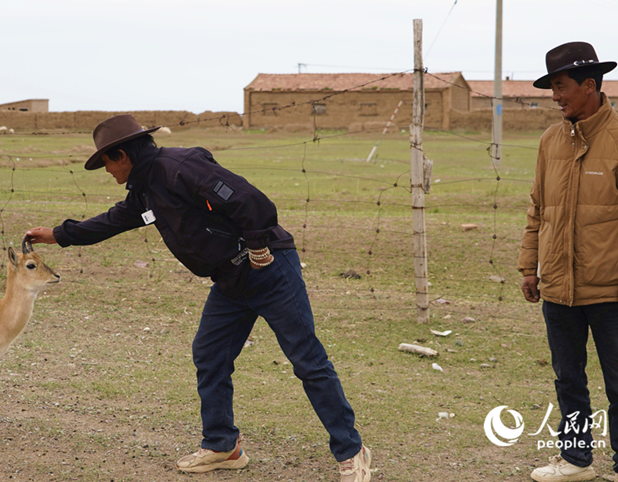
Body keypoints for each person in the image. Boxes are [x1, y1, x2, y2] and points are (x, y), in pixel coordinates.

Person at [24, 114, 372, 482]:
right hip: (229, 282)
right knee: (210, 355)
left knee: (307, 360)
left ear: (122, 154)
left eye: (107, 162)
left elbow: (252, 201)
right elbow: (116, 220)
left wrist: (257, 247)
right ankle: (224, 446)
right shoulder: (144, 189)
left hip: (269, 270)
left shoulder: (180, 167)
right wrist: (60, 234)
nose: (107, 171)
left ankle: (352, 451)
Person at [518, 42, 618, 482]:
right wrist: (530, 267)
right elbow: (537, 210)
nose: (555, 95)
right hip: (559, 289)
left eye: (561, 86)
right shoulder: (551, 140)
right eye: (551, 87)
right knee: (568, 380)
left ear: (589, 85)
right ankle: (575, 459)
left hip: (613, 289)